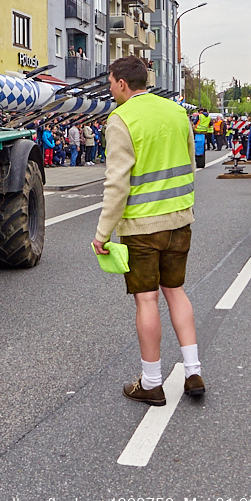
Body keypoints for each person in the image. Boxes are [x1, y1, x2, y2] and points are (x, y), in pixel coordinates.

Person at [93, 56, 203, 405]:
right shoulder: (176, 112)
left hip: (142, 226)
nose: (110, 89)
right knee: (176, 292)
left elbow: (117, 184)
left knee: (147, 299)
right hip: (179, 220)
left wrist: (102, 233)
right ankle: (193, 371)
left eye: (111, 82)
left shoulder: (121, 119)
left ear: (123, 84)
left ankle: (152, 382)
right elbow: (189, 163)